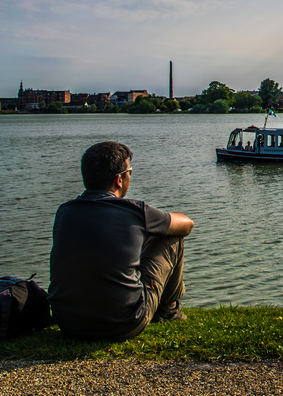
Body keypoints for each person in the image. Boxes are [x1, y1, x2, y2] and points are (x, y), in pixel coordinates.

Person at [49, 141, 194, 340]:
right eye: (129, 172)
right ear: (119, 180)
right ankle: (169, 312)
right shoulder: (134, 211)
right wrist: (151, 229)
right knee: (173, 236)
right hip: (124, 323)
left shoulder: (64, 212)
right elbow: (187, 224)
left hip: (68, 322)